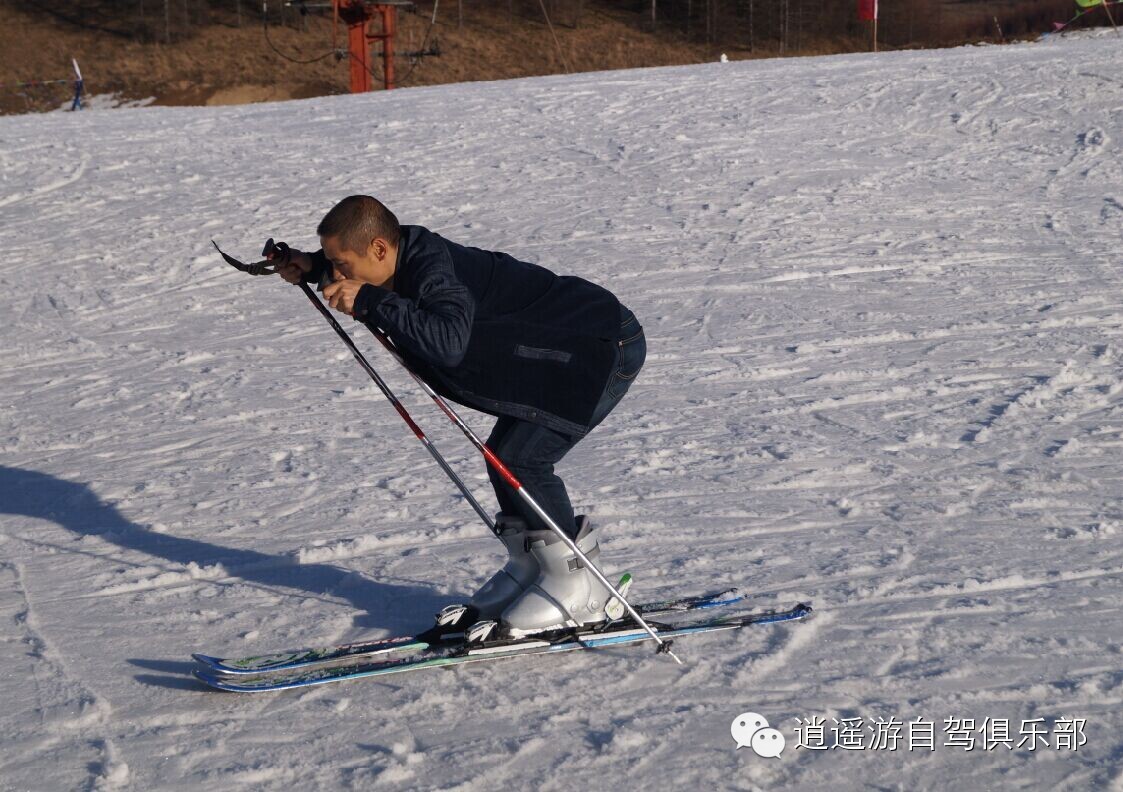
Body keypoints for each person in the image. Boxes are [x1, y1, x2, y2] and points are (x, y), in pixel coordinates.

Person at [272, 195, 646, 638]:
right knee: (505, 456)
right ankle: (533, 568)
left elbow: (448, 341)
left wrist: (370, 299)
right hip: (555, 352)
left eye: (340, 263)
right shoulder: (396, 257)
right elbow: (372, 279)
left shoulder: (433, 271)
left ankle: (576, 587)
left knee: (523, 459)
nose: (337, 274)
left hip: (599, 347)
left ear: (378, 248)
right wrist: (311, 266)